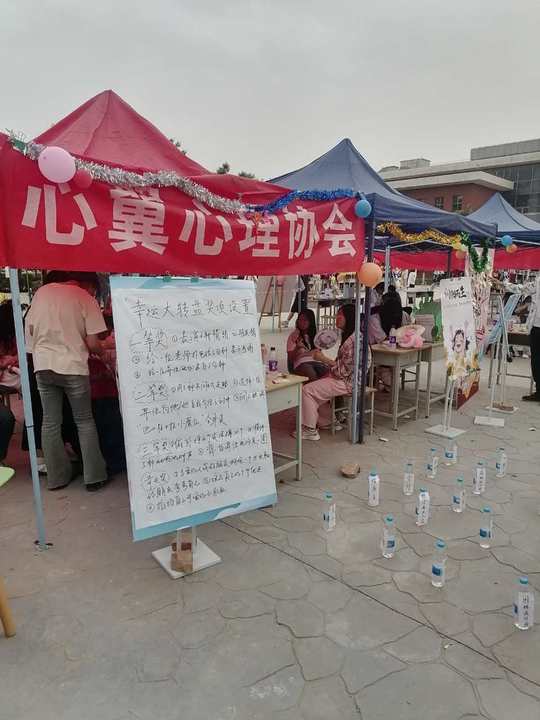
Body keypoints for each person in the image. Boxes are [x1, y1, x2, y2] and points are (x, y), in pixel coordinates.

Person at [25, 271, 109, 491]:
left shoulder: (41, 293)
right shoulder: (84, 297)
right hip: (73, 366)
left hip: (43, 365)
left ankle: (57, 477)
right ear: (87, 284)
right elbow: (93, 343)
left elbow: (30, 332)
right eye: (94, 289)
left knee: (50, 422)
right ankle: (94, 477)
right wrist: (105, 355)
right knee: (84, 420)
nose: (94, 293)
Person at [293, 304, 367, 440]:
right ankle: (328, 421)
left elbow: (343, 371)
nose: (336, 318)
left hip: (349, 382)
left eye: (340, 315)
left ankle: (309, 429)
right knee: (315, 387)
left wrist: (323, 359)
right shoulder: (351, 337)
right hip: (348, 379)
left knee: (307, 390)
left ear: (349, 317)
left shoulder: (353, 341)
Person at [492, 274, 540, 401]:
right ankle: (539, 391)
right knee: (536, 360)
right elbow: (522, 288)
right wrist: (502, 284)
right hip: (535, 327)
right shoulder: (538, 281)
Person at [286, 309, 327, 381]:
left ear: (311, 321)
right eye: (300, 320)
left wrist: (321, 344)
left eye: (305, 320)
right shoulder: (294, 335)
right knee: (311, 374)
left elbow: (318, 353)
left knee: (328, 373)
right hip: (301, 363)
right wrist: (297, 348)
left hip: (316, 361)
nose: (302, 322)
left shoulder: (315, 336)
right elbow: (290, 359)